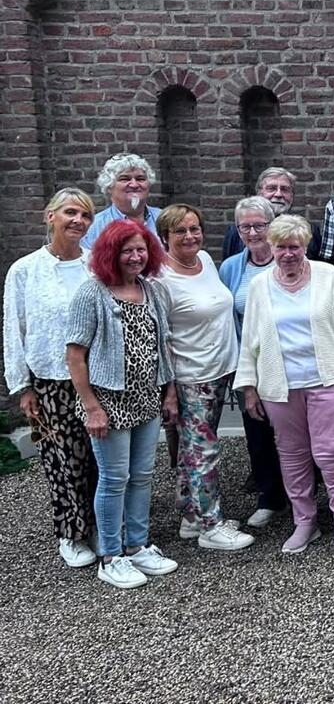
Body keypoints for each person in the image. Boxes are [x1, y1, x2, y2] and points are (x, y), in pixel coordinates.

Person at [235, 215, 334, 559]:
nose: (288, 253)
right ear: (271, 247)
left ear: (305, 246)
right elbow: (250, 338)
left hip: (327, 379)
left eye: (294, 246)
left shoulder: (327, 275)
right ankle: (305, 522)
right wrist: (248, 386)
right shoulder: (260, 285)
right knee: (292, 456)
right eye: (281, 247)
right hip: (279, 386)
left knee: (333, 453)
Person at [66, 219, 180, 589]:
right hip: (108, 402)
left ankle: (138, 545)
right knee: (114, 479)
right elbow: (75, 355)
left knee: (142, 476)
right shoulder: (92, 293)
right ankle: (110, 556)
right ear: (110, 254)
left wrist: (169, 392)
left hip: (146, 398)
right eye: (127, 250)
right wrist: (91, 407)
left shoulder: (152, 290)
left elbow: (162, 346)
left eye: (141, 250)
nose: (135, 257)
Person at [4, 188, 99, 569]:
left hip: (97, 380)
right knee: (62, 460)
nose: (78, 221)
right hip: (50, 380)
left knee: (97, 458)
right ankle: (70, 533)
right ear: (51, 217)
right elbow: (15, 328)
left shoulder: (96, 265)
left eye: (86, 216)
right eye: (71, 213)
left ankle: (98, 525)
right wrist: (22, 386)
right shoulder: (25, 270)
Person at [154, 204, 255, 552]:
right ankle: (211, 526)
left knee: (191, 450)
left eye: (194, 228)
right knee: (203, 451)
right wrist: (168, 390)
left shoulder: (207, 263)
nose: (190, 236)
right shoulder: (160, 279)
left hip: (221, 369)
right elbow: (160, 339)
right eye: (180, 231)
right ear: (164, 237)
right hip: (190, 378)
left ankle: (191, 515)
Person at [217, 197, 288, 528]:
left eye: (260, 224)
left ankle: (303, 497)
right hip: (253, 362)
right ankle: (269, 498)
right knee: (257, 432)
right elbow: (226, 317)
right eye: (245, 226)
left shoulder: (289, 258)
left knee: (295, 434)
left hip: (290, 359)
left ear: (272, 225)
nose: (253, 232)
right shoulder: (232, 267)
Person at [220, 167, 321, 260]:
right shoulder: (238, 232)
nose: (278, 194)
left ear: (292, 195)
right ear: (259, 193)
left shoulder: (308, 230)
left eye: (285, 189)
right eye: (271, 188)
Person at [82, 153, 161, 249]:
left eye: (140, 179)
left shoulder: (164, 220)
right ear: (109, 186)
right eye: (124, 179)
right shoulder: (93, 228)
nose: (134, 185)